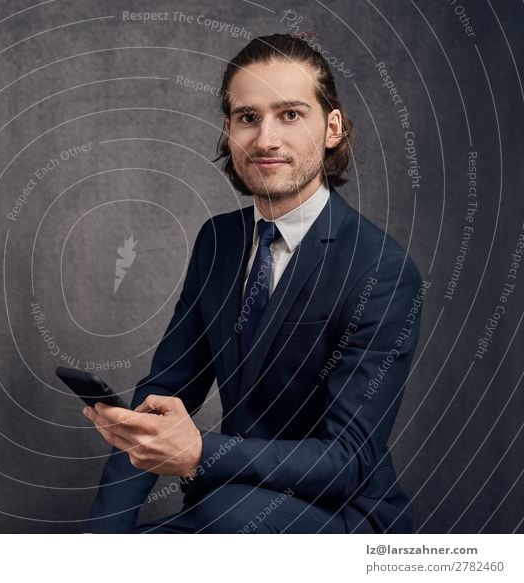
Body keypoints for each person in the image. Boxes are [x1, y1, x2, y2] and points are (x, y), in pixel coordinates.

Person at [82, 33, 424, 533]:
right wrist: (99, 539)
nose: (265, 140)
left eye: (290, 114)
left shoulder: (383, 270)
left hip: (337, 517)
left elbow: (347, 458)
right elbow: (163, 391)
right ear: (229, 131)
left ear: (331, 128)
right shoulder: (218, 241)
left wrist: (200, 451)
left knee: (227, 516)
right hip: (227, 502)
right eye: (248, 117)